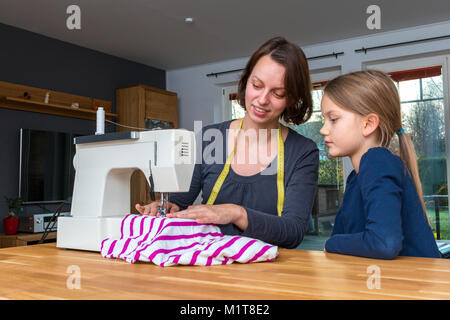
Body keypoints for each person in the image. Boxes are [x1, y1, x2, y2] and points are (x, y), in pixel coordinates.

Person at [135, 36, 319, 249]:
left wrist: (234, 212)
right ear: (246, 81)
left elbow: (293, 232)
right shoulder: (211, 138)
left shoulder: (302, 152)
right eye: (257, 85)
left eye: (278, 93)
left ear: (292, 99)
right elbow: (180, 203)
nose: (262, 99)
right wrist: (165, 206)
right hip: (210, 264)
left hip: (271, 274)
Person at [321, 70, 441, 259]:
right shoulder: (356, 177)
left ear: (368, 124)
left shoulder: (378, 161)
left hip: (418, 286)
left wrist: (331, 243)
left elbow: (384, 243)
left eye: (333, 119)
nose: (323, 129)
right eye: (324, 120)